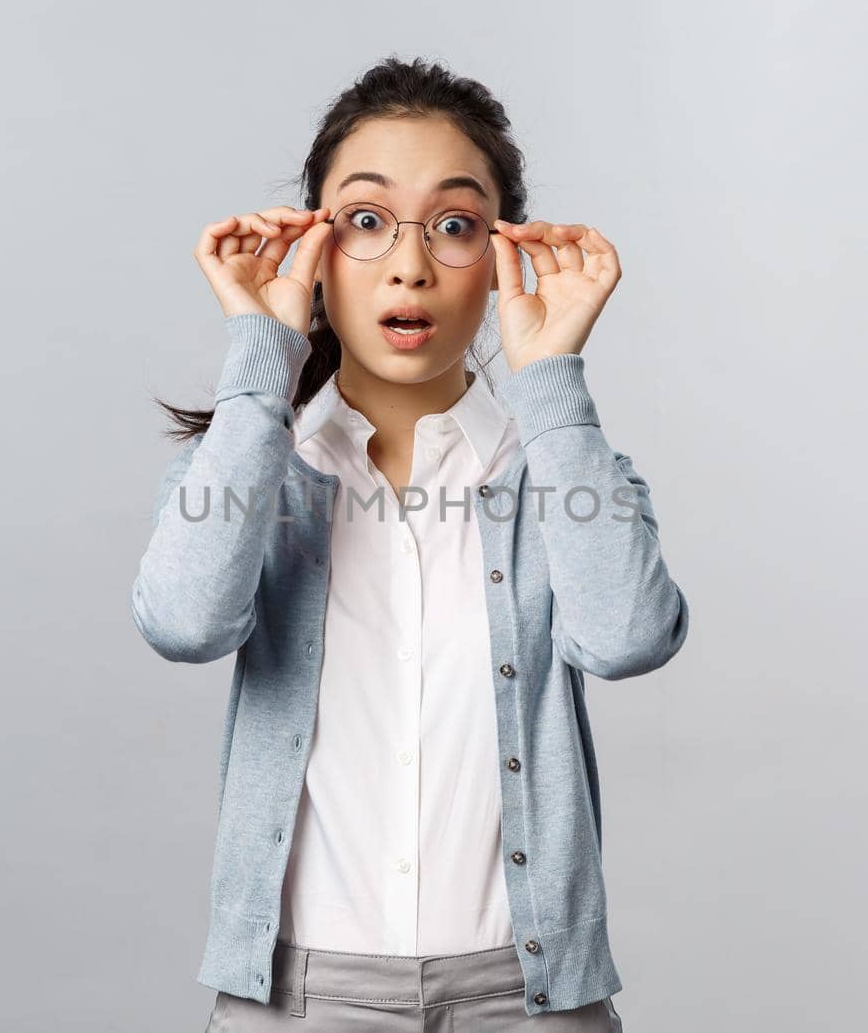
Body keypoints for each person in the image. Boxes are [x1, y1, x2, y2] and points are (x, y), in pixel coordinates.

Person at [133, 56, 690, 1031]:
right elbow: (183, 622)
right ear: (311, 246)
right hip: (293, 999)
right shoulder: (254, 463)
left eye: (455, 224)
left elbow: (629, 636)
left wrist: (550, 379)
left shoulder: (557, 467)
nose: (410, 264)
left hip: (528, 1000)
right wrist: (260, 363)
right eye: (364, 219)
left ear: (502, 253)